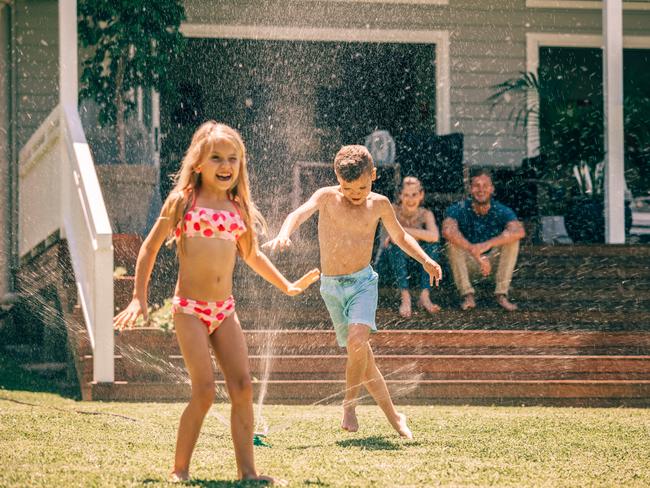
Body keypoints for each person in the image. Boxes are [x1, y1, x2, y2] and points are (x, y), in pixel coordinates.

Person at [113, 121, 319, 484]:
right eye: (217, 158)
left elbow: (253, 256)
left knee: (242, 387)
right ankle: (180, 469)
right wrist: (138, 298)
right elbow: (149, 247)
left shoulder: (237, 208)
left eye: (233, 159)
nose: (226, 165)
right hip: (189, 309)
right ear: (198, 163)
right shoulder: (183, 202)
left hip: (224, 311)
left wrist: (286, 285)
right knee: (205, 391)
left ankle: (248, 472)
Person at [264, 145, 442, 438]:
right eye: (348, 188)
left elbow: (400, 236)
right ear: (337, 178)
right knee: (364, 359)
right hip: (332, 288)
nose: (355, 193)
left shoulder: (381, 204)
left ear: (373, 175)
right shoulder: (326, 197)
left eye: (361, 186)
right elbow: (298, 213)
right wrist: (284, 233)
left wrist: (425, 259)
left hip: (362, 283)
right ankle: (395, 416)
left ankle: (350, 404)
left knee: (358, 342)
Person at [442, 167, 525, 312]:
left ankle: (501, 294)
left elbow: (519, 231)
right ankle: (467, 295)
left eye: (485, 186)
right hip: (470, 266)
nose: (481, 190)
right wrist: (474, 251)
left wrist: (485, 246)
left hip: (492, 265)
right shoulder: (459, 208)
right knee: (451, 243)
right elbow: (447, 231)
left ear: (492, 189)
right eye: (476, 186)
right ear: (470, 189)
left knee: (512, 240)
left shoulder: (500, 209)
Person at [380, 176, 441, 318]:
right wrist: (419, 234)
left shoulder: (426, 214)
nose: (410, 199)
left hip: (415, 265)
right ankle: (405, 297)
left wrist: (404, 231)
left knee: (432, 247)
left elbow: (434, 237)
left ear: (421, 195)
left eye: (414, 195)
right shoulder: (392, 211)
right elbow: (391, 240)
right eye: (406, 195)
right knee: (396, 246)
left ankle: (424, 295)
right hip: (389, 265)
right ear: (400, 196)